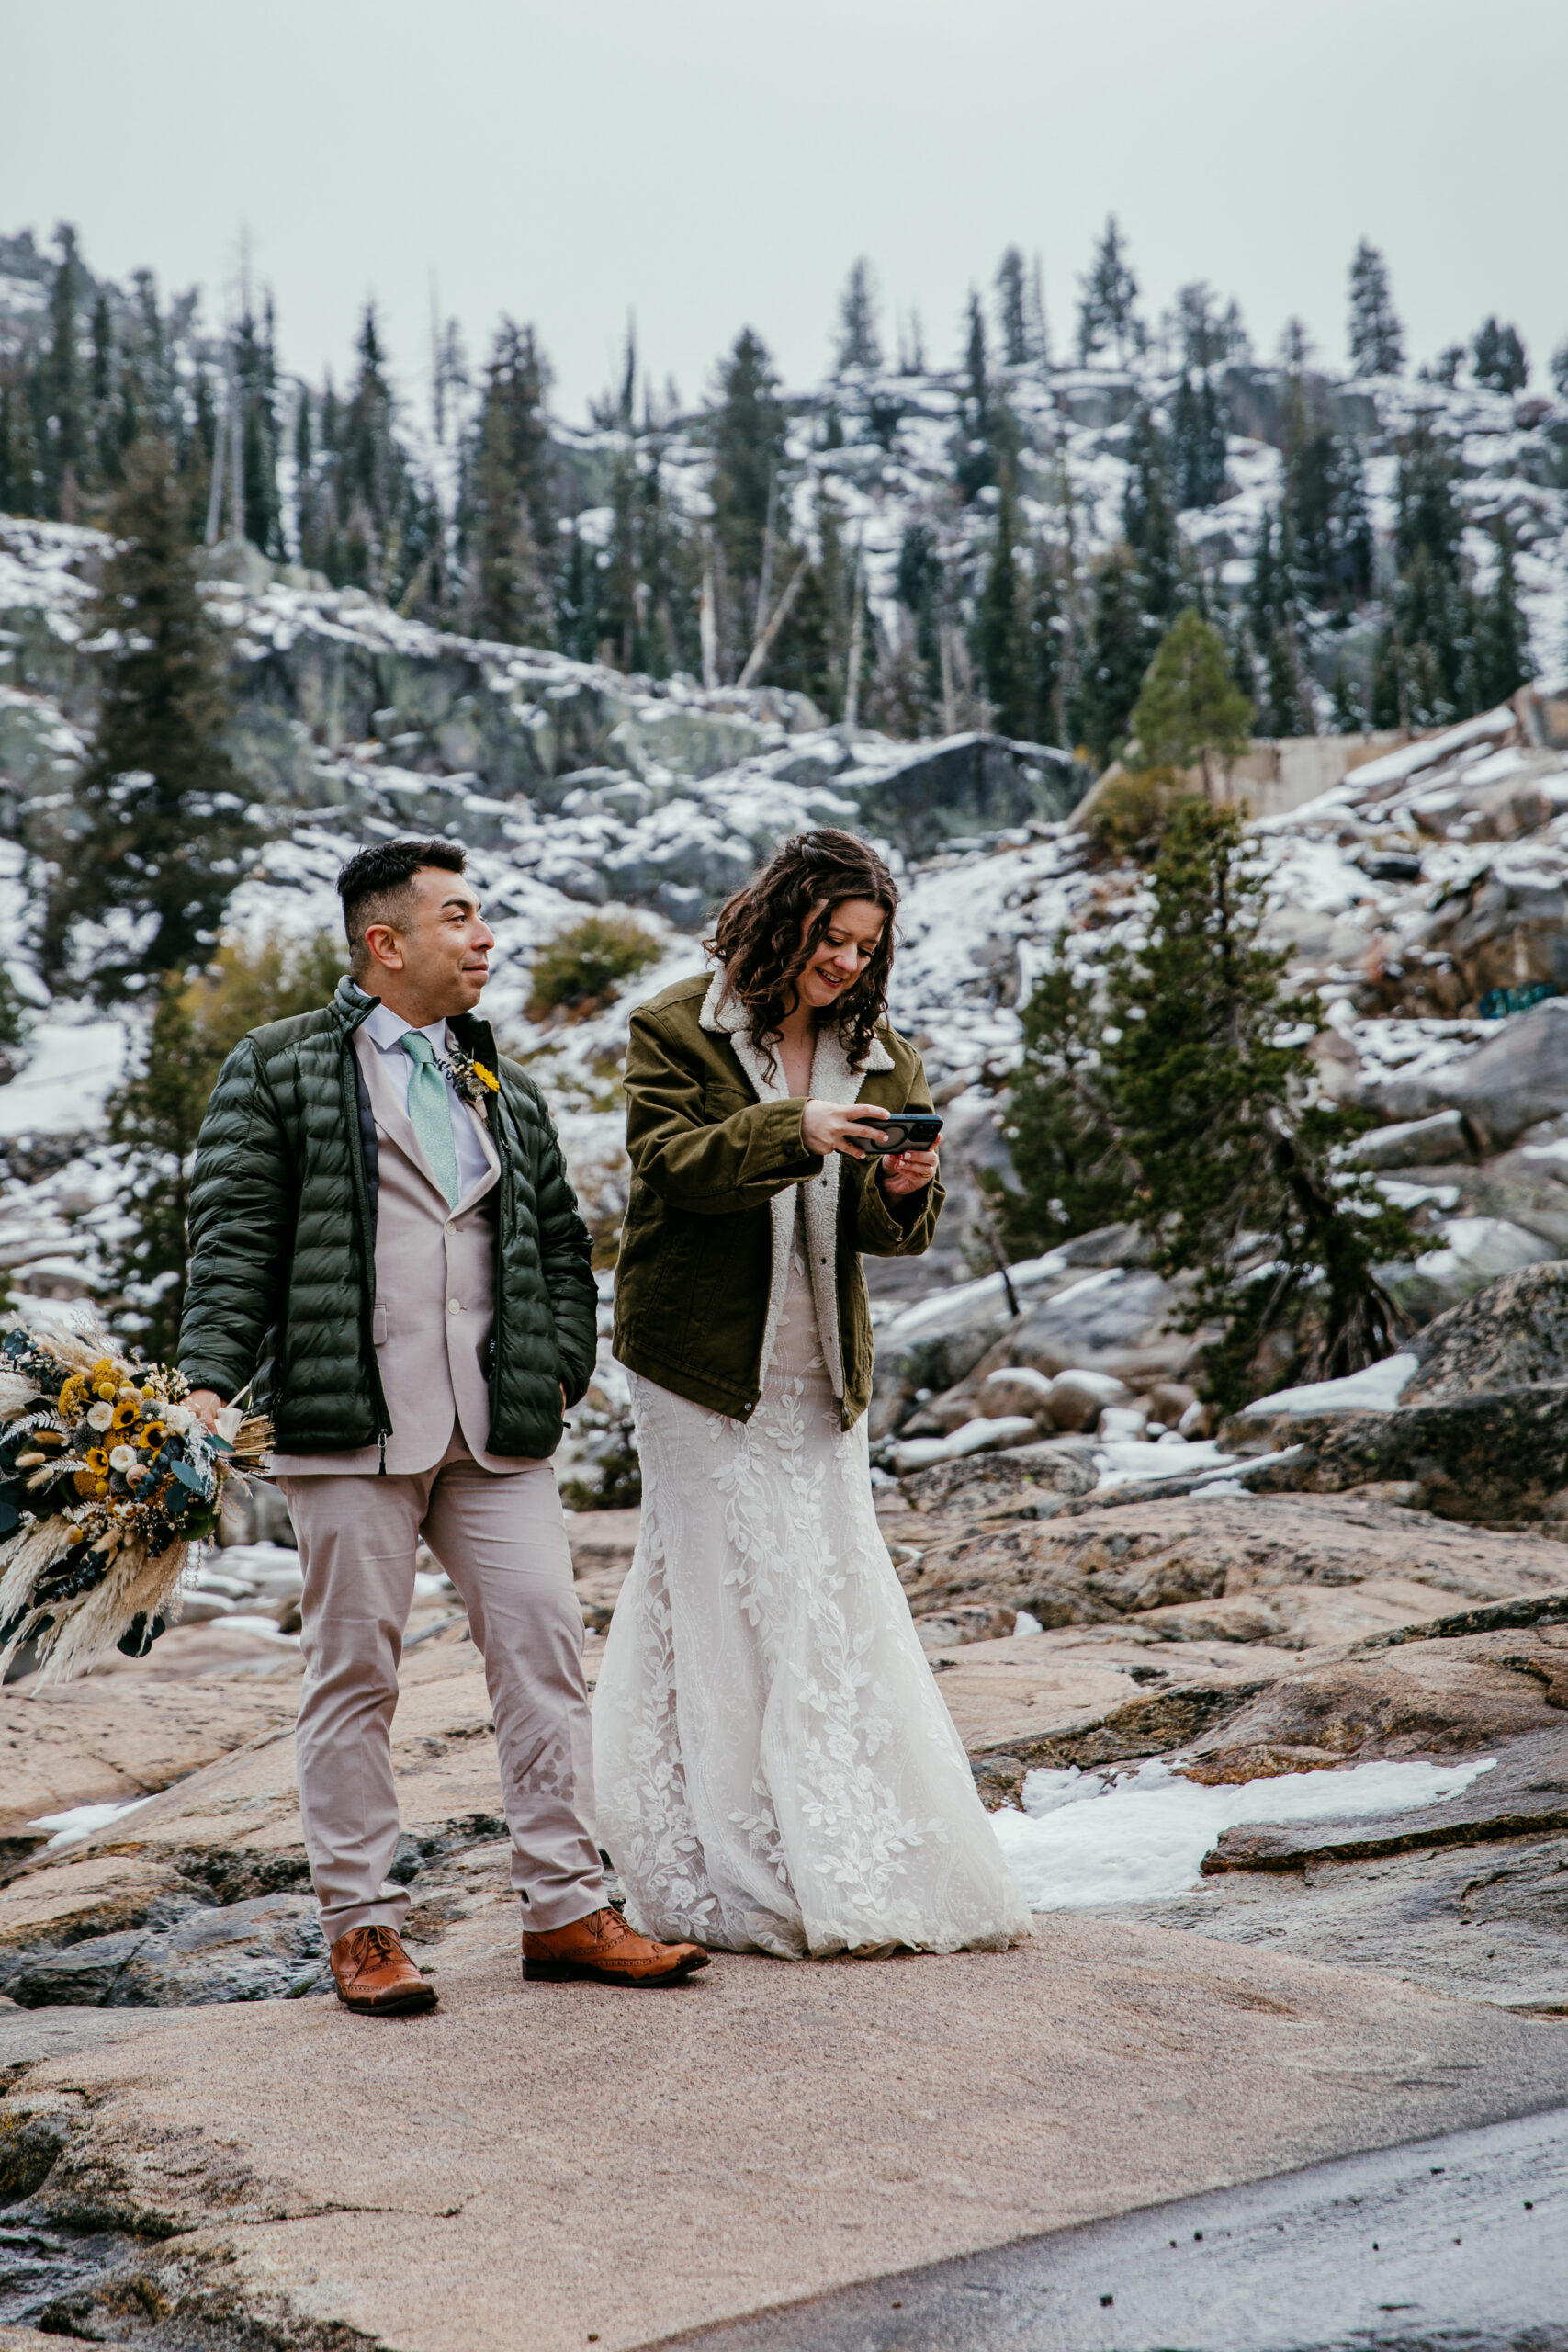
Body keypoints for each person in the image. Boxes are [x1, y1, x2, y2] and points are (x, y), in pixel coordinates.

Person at [178, 838, 708, 2013]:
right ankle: (363, 1927)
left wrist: (560, 1365)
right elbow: (233, 1244)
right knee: (354, 1672)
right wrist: (209, 1380)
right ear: (386, 943)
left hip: (498, 1427)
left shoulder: (504, 1088)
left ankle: (566, 1907)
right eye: (461, 917)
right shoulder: (277, 1068)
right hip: (346, 1420)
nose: (484, 939)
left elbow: (561, 1244)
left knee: (545, 1655)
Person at [593, 831, 1032, 1958]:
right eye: (831, 938)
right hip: (696, 1364)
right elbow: (672, 1166)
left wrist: (901, 1181)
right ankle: (719, 1856)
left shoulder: (880, 1050)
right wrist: (797, 1129)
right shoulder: (675, 1026)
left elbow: (895, 1235)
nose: (845, 963)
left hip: (821, 1365)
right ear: (780, 919)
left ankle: (837, 1832)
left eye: (865, 946)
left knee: (824, 1585)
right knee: (719, 1585)